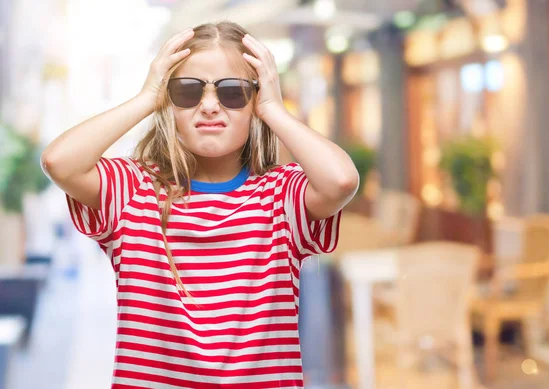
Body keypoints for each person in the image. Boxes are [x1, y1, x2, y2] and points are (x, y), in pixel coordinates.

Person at [41, 21, 358, 389]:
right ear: (168, 100)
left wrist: (274, 108)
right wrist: (146, 98)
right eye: (188, 91)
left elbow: (341, 181)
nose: (209, 106)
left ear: (255, 100)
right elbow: (58, 161)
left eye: (234, 92)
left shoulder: (280, 196)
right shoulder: (133, 191)